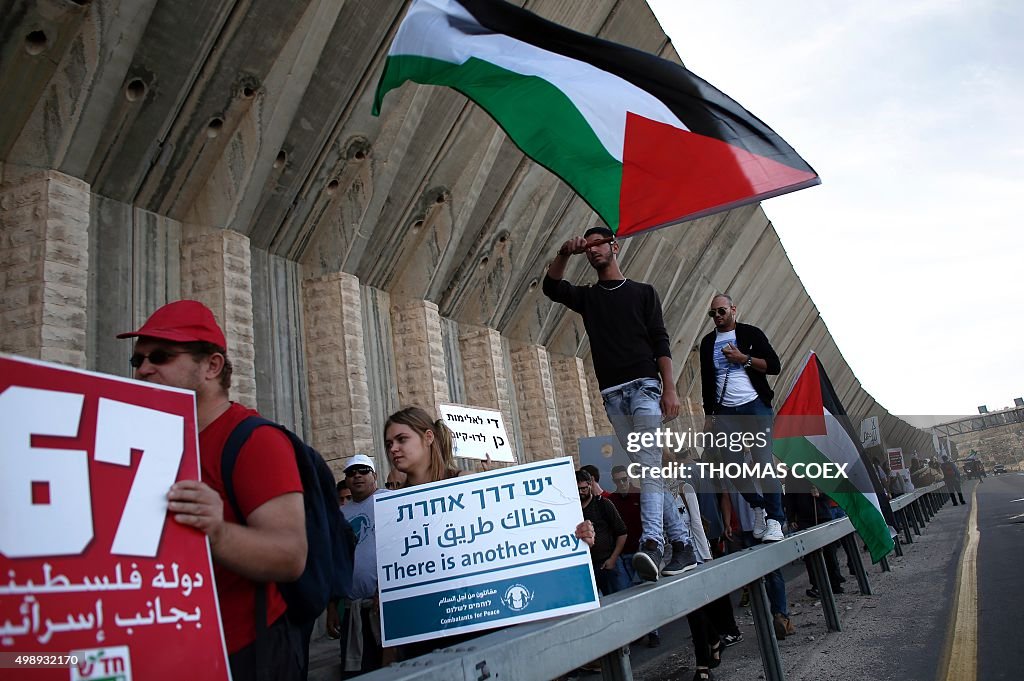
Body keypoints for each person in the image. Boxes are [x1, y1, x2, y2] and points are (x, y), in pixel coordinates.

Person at [119, 300, 306, 681]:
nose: (144, 369)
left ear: (212, 366)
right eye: (137, 361)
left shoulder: (256, 441)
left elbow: (290, 555)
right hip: (171, 653)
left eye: (161, 356)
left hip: (246, 654)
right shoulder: (149, 438)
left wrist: (217, 531)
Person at [383, 406, 596, 661]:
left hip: (484, 625)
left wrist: (574, 536)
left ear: (428, 438)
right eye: (388, 443)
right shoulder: (392, 509)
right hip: (425, 633)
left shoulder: (465, 482)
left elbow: (519, 535)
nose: (393, 448)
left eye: (401, 439)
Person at [544, 226, 696, 581]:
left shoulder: (643, 292)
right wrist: (566, 252)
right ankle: (683, 544)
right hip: (612, 395)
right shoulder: (588, 298)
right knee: (649, 467)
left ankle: (654, 544)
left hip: (645, 387)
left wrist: (669, 390)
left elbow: (660, 340)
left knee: (647, 466)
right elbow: (552, 288)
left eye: (599, 244)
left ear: (615, 247)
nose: (594, 250)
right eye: (589, 247)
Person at [699, 294, 785, 542]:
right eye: (713, 313)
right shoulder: (707, 343)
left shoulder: (750, 334)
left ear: (733, 310)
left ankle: (776, 521)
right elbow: (707, 381)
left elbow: (774, 365)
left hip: (755, 407)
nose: (717, 316)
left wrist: (743, 359)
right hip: (725, 412)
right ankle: (758, 507)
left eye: (722, 311)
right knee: (733, 468)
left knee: (762, 463)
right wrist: (709, 415)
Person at [327, 454, 383, 677]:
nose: (357, 476)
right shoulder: (340, 514)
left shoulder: (389, 500)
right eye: (351, 473)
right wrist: (332, 607)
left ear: (374, 476)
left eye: (362, 471)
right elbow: (335, 561)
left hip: (382, 606)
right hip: (352, 610)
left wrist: (385, 589)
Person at [576, 469, 629, 596]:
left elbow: (622, 533)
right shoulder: (572, 510)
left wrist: (613, 559)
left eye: (583, 488)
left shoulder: (603, 504)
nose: (580, 492)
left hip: (608, 564)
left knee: (620, 601)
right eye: (577, 489)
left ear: (590, 484)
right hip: (585, 569)